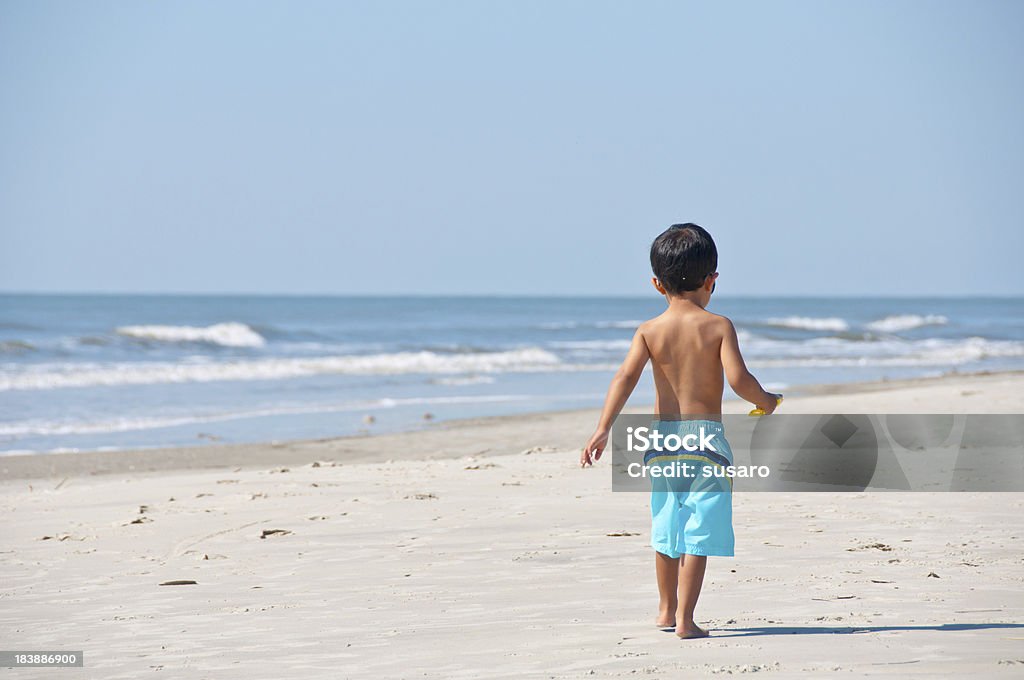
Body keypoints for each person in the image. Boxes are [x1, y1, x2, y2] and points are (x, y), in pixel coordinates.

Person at [580, 223, 780, 639]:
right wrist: (766, 401)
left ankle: (665, 610)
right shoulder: (718, 326)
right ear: (712, 280)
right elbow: (739, 380)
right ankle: (687, 621)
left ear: (656, 283)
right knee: (700, 528)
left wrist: (603, 428)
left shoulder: (649, 330)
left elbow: (624, 377)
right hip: (705, 440)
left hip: (663, 440)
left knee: (667, 524)